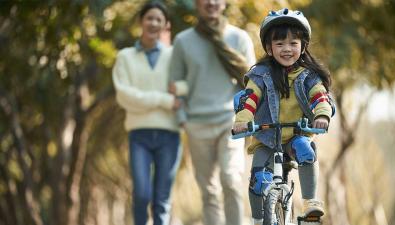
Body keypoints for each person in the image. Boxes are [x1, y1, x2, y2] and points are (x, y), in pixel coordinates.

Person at [232, 8, 335, 225]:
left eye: (293, 43)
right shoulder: (260, 74)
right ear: (269, 48)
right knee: (258, 179)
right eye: (279, 44)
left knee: (306, 150)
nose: (286, 49)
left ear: (303, 46)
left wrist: (322, 115)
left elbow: (319, 96)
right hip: (266, 137)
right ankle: (258, 220)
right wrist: (243, 120)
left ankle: (310, 205)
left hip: (295, 134)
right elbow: (250, 98)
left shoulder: (308, 76)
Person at [168, 0, 256, 224]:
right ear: (196, 4)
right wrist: (182, 120)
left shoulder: (239, 38)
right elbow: (174, 84)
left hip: (230, 122)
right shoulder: (183, 41)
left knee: (231, 180)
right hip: (197, 125)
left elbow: (254, 84)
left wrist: (246, 117)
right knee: (209, 191)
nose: (211, 2)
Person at [112, 2, 181, 225]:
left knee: (162, 201)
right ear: (141, 21)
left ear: (165, 25)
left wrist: (177, 94)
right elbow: (124, 96)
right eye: (149, 18)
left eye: (158, 19)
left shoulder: (174, 56)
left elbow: (186, 88)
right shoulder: (125, 56)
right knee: (141, 195)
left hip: (169, 136)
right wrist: (164, 100)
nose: (153, 22)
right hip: (139, 136)